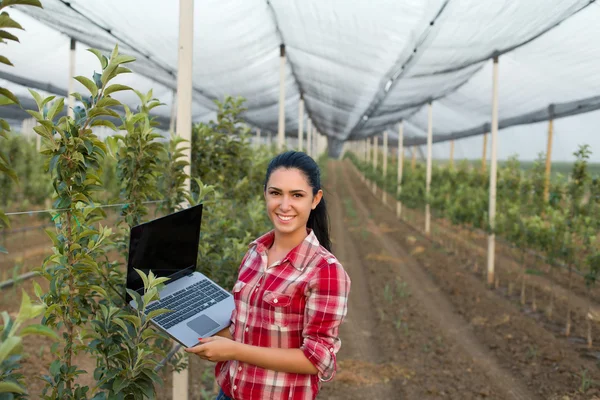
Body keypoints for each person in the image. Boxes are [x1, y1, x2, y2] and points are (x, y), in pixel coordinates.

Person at [185, 150, 351, 400]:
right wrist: (195, 329)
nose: (284, 206)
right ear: (265, 193)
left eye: (297, 195)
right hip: (228, 393)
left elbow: (317, 359)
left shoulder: (325, 271)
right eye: (275, 193)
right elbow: (245, 326)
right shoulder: (255, 253)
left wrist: (234, 351)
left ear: (315, 199)